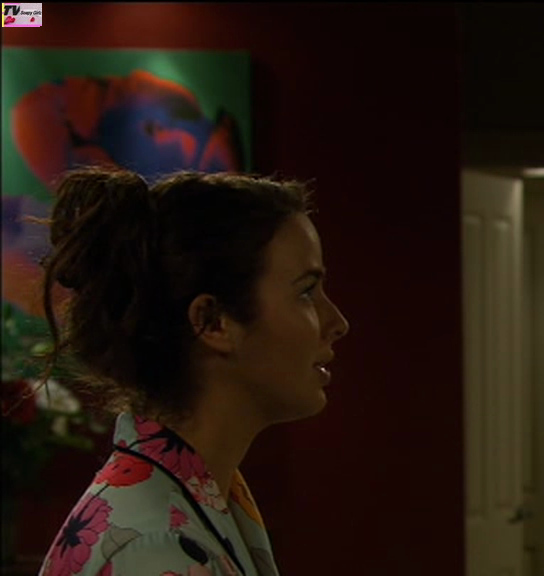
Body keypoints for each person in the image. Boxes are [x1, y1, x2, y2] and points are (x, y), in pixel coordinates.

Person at [33, 167, 348, 576]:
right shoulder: (153, 548)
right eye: (305, 291)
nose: (338, 322)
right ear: (213, 322)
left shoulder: (204, 502)